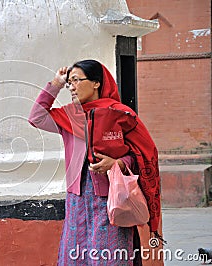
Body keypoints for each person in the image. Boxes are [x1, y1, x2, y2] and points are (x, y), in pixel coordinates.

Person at [28, 59, 162, 265]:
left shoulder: (119, 114)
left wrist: (118, 163)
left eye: (76, 80)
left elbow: (144, 153)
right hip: (77, 199)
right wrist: (55, 83)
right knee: (76, 255)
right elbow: (36, 117)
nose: (71, 87)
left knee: (108, 257)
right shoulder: (69, 116)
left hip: (111, 198)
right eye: (69, 83)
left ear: (96, 83)